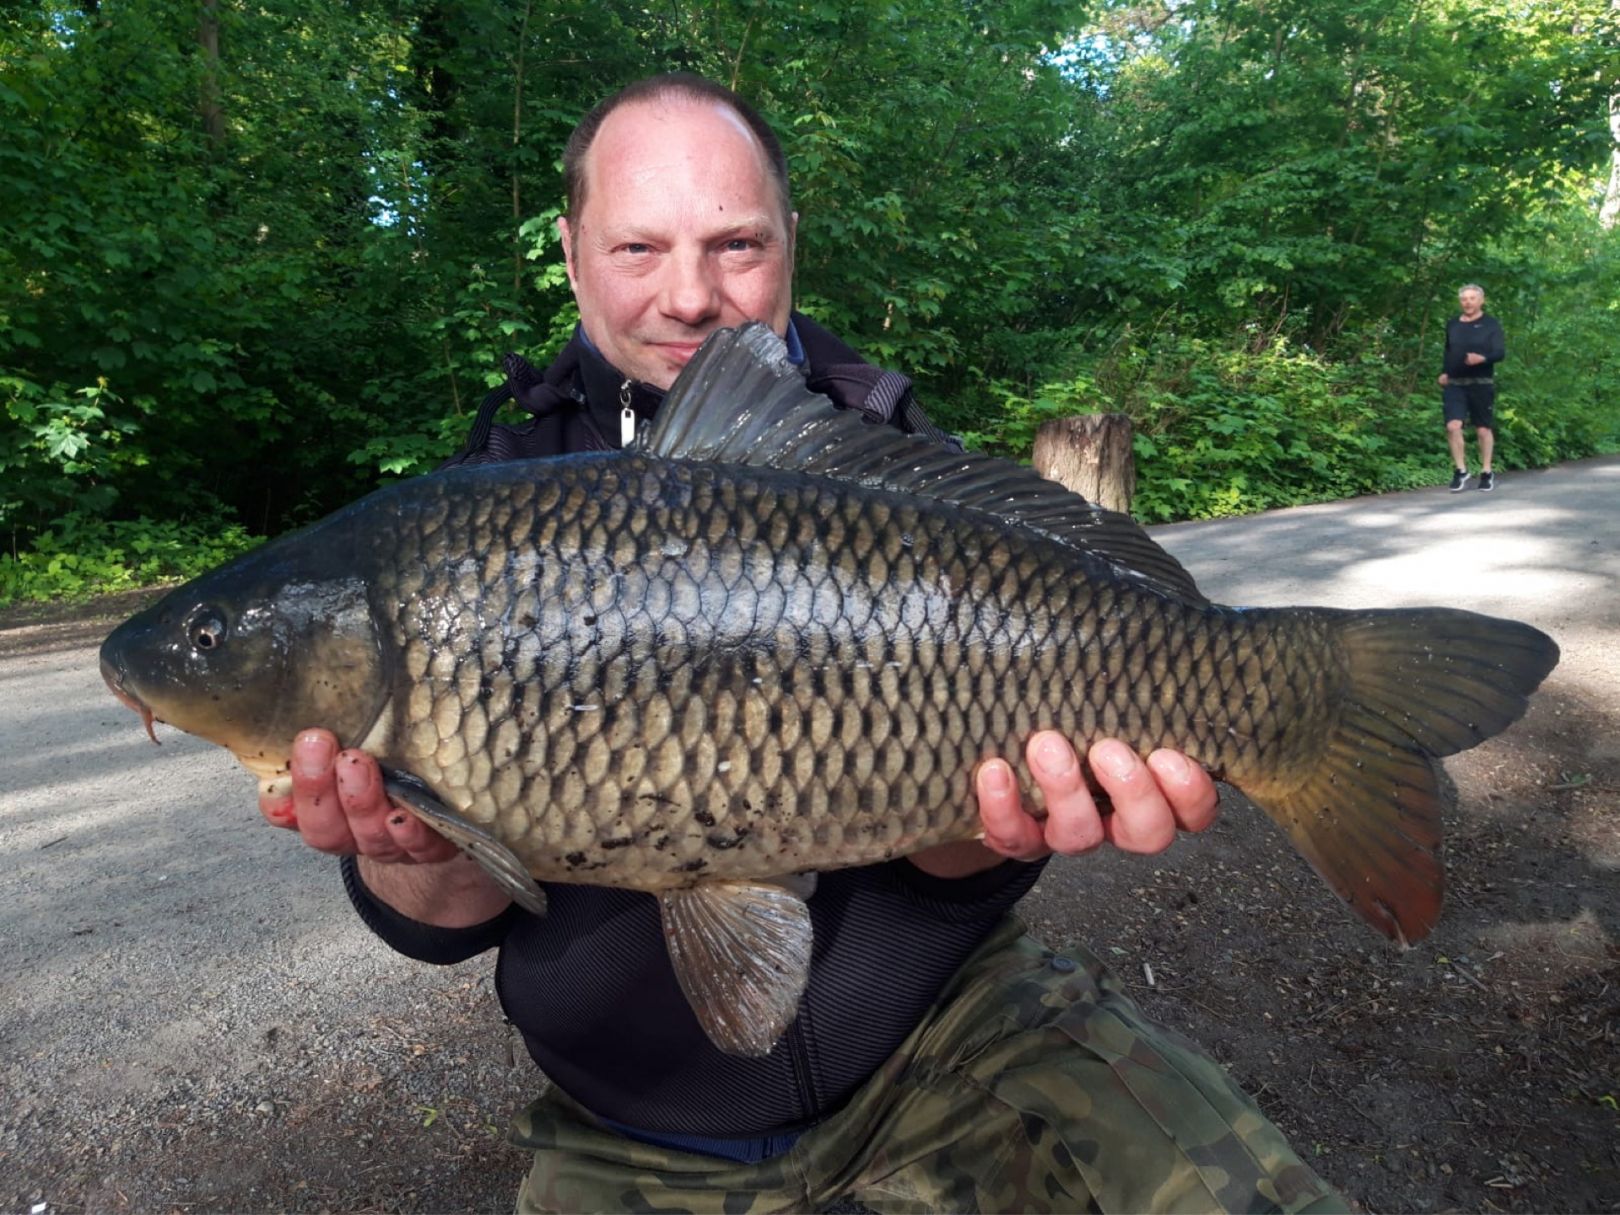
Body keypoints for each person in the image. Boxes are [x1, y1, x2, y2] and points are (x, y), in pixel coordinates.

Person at [260, 74, 1345, 1213]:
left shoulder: (897, 472)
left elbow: (953, 872)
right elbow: (443, 926)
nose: (691, 296)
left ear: (791, 245)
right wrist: (411, 848)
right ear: (574, 254)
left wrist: (997, 827)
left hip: (944, 1041)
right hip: (632, 1123)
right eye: (638, 249)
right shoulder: (464, 528)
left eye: (736, 243)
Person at [1437, 283, 1506, 492]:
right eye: (1464, 299)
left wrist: (1482, 358)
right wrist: (1444, 372)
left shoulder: (1491, 324)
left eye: (1472, 298)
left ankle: (1486, 471)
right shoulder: (1452, 324)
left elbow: (1500, 353)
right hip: (1455, 383)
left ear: (1481, 300)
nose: (1467, 302)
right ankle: (1460, 470)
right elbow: (1448, 351)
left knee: (1483, 429)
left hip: (1481, 383)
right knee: (1452, 426)